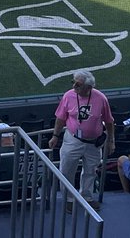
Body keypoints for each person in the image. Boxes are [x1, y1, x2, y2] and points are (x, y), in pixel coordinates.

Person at [48, 69, 114, 210]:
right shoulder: (68, 96)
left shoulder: (101, 98)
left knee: (91, 171)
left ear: (89, 87)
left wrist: (111, 140)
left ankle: (87, 197)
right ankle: (69, 198)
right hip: (73, 139)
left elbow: (109, 121)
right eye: (73, 83)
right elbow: (61, 118)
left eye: (78, 85)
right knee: (66, 169)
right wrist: (55, 135)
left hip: (94, 143)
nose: (74, 87)